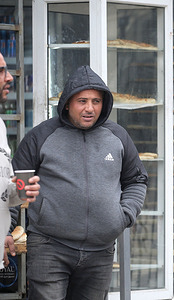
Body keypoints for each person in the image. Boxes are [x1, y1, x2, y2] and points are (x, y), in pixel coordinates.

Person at [10, 65, 148, 299]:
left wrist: (123, 215)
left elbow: (136, 179)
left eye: (96, 101)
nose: (89, 108)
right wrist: (6, 229)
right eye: (82, 101)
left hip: (100, 251)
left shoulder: (118, 136)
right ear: (67, 103)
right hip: (49, 247)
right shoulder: (41, 136)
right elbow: (14, 185)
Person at [0, 51, 40, 269]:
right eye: (1, 71)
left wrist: (20, 190)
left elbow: (2, 191)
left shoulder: (0, 127)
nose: (9, 77)